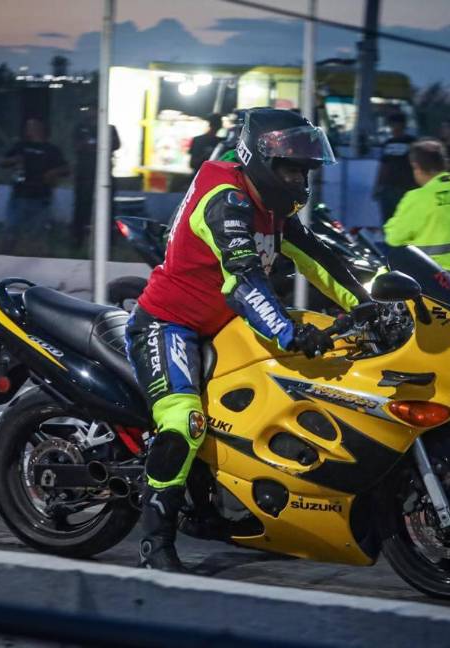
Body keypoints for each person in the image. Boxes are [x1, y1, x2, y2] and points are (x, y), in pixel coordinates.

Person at [126, 108, 373, 571]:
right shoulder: (228, 202)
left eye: (304, 170)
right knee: (185, 420)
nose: (299, 180)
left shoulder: (272, 208)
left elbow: (317, 257)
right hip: (168, 323)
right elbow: (243, 282)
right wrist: (289, 332)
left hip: (221, 327)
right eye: (290, 168)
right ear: (260, 161)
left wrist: (364, 303)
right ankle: (154, 543)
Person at [383, 139, 450, 279]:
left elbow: (394, 238)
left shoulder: (417, 198)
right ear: (444, 163)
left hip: (434, 284)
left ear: (416, 166)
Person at [0, 117, 69, 254]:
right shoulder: (20, 146)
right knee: (10, 228)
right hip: (19, 195)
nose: (29, 129)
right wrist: (14, 160)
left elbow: (66, 169)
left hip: (41, 197)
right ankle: (4, 258)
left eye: (32, 126)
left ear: (40, 128)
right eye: (27, 126)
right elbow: (2, 162)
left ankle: (34, 259)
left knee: (37, 233)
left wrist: (53, 172)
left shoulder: (51, 149)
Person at [71, 104, 120, 250]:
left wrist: (96, 146)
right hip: (84, 175)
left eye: (93, 109)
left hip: (104, 175)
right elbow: (77, 146)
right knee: (82, 208)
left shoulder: (109, 128)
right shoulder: (80, 127)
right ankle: (77, 241)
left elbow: (115, 145)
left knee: (108, 209)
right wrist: (96, 146)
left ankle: (109, 243)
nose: (91, 113)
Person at [373, 112, 417, 223]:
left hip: (406, 187)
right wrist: (377, 185)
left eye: (396, 125)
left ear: (403, 125)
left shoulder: (412, 142)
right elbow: (383, 165)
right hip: (388, 187)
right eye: (392, 125)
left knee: (405, 218)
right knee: (388, 220)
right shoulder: (388, 143)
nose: (393, 128)